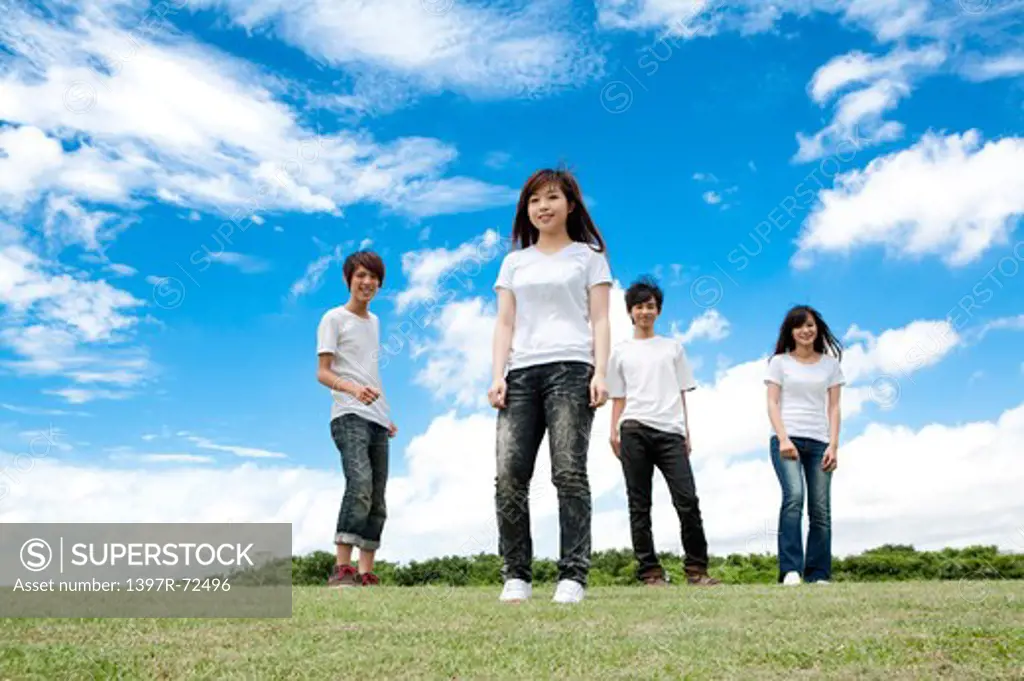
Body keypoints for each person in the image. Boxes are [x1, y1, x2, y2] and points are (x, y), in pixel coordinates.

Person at [489, 167, 612, 604]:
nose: (543, 206)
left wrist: (601, 372)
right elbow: (505, 321)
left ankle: (573, 575)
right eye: (535, 199)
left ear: (571, 205)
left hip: (572, 369)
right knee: (509, 476)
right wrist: (497, 375)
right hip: (521, 373)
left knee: (568, 472)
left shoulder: (589, 257)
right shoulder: (514, 262)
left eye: (552, 197)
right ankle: (516, 574)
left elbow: (600, 319)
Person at [608, 277, 721, 587]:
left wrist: (686, 431)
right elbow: (618, 396)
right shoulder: (620, 351)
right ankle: (650, 572)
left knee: (687, 500)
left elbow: (682, 391)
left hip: (671, 431)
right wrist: (613, 431)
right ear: (630, 311)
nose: (646, 311)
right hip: (633, 429)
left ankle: (697, 570)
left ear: (658, 311)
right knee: (639, 504)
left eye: (651, 306)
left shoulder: (672, 348)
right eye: (640, 306)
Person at [316, 250, 398, 588]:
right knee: (359, 484)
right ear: (348, 279)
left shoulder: (374, 322)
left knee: (377, 495)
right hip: (348, 414)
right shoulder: (333, 318)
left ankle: (365, 573)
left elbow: (370, 372)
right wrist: (352, 390)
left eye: (373, 277)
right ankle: (342, 569)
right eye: (360, 275)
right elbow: (322, 373)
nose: (367, 282)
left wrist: (386, 414)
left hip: (376, 416)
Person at [764, 304, 844, 586]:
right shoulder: (779, 362)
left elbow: (834, 408)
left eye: (809, 325)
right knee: (794, 498)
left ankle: (819, 573)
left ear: (817, 328)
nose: (805, 330)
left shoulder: (830, 365)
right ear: (791, 332)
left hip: (820, 441)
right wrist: (784, 438)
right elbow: (772, 402)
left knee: (820, 509)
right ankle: (790, 570)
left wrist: (833, 445)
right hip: (788, 441)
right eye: (799, 326)